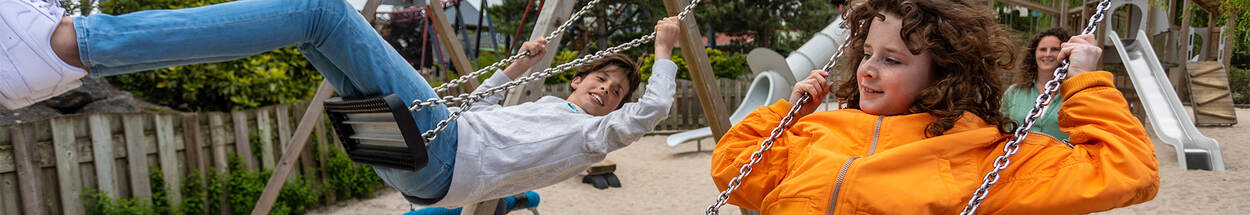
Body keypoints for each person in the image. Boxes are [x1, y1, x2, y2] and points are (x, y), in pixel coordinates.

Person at [0, 0, 682, 207]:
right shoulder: (554, 109)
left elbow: (649, 113)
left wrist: (666, 50)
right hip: (429, 159)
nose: (605, 91)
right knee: (306, 28)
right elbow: (474, 110)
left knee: (321, 11)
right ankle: (65, 48)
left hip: (440, 156)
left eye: (614, 94)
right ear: (576, 82)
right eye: (600, 82)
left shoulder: (596, 137)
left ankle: (66, 44)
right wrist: (517, 68)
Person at [710, 0, 1158, 214]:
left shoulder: (981, 154)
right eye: (867, 53)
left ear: (944, 72)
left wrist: (1082, 82)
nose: (867, 69)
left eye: (891, 60)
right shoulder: (820, 133)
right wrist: (787, 114)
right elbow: (733, 169)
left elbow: (1127, 170)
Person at [1003, 27, 1073, 140]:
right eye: (1043, 49)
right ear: (1034, 53)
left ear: (1064, 53)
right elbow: (1003, 130)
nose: (1048, 54)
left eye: (1054, 49)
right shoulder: (1013, 92)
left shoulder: (1074, 94)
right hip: (1020, 155)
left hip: (1062, 156)